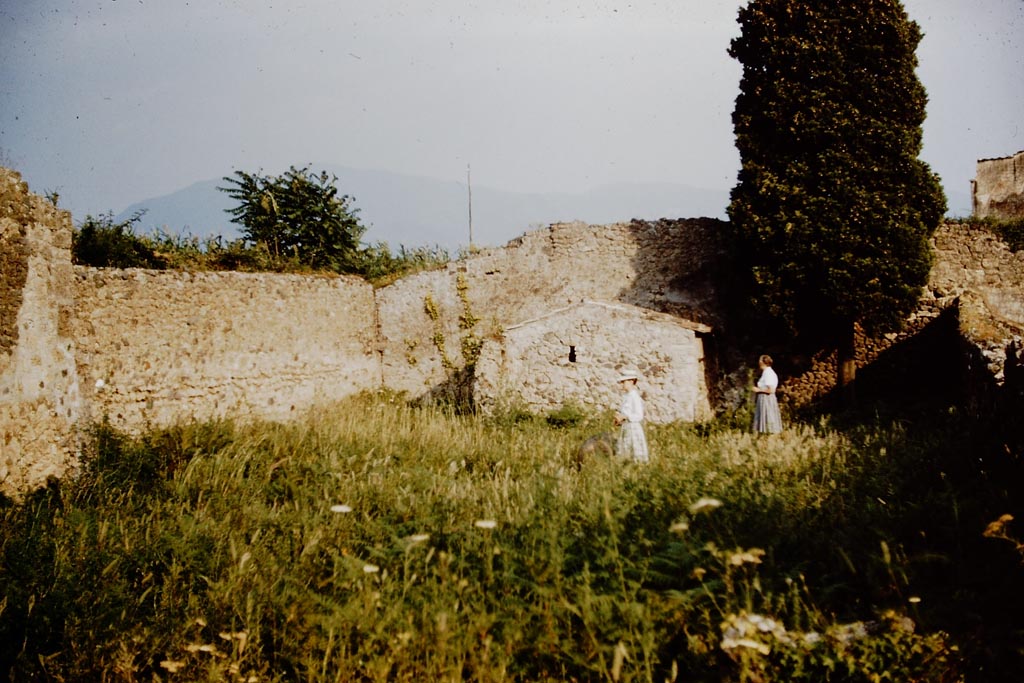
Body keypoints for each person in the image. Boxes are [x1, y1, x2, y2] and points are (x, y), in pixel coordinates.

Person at [614, 370, 650, 463]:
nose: (622, 385)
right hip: (626, 427)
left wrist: (625, 416)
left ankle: (636, 468)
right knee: (625, 450)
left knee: (634, 451)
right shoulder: (626, 396)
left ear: (631, 381)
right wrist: (619, 419)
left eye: (624, 382)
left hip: (633, 428)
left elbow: (639, 415)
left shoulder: (634, 396)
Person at [752, 354, 783, 434]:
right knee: (765, 417)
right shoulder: (766, 372)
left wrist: (758, 390)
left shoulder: (768, 373)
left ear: (763, 362)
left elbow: (771, 390)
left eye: (760, 360)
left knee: (768, 416)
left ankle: (769, 435)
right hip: (763, 398)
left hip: (766, 398)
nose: (758, 362)